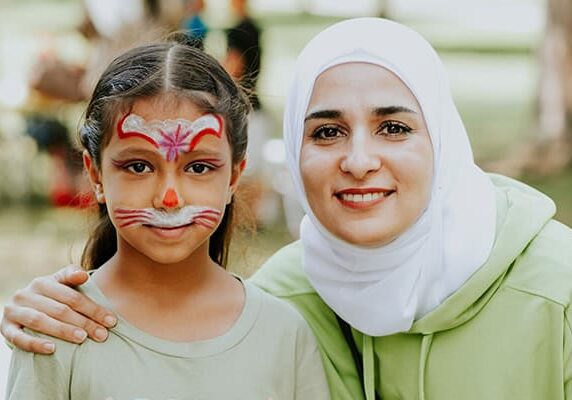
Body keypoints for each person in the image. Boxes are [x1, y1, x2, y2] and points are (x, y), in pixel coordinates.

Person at [4, 17, 572, 400]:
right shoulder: (291, 295)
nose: (358, 160)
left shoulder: (558, 293)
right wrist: (38, 307)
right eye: (326, 131)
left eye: (394, 127)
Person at [4, 37, 328, 400]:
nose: (168, 198)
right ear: (95, 175)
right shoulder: (57, 328)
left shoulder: (284, 335)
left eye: (199, 167)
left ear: (234, 178)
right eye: (139, 166)